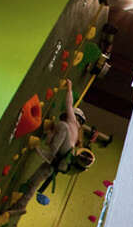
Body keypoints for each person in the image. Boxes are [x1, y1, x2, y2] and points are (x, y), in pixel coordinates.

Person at [5, 80, 88, 216]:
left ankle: (50, 154)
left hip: (57, 158)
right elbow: (53, 139)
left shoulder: (72, 123)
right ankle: (20, 206)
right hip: (57, 162)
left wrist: (69, 89)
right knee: (33, 182)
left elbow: (69, 104)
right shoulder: (73, 132)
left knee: (62, 126)